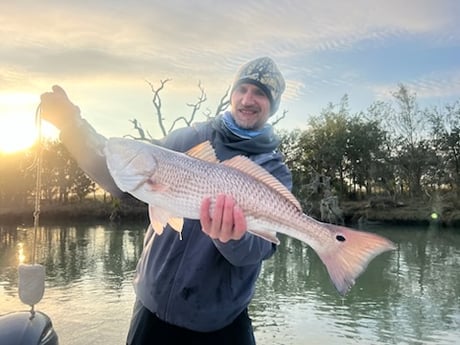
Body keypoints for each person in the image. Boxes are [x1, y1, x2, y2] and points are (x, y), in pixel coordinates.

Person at [40, 57, 292, 345]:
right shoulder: (189, 138)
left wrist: (231, 238)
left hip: (220, 323)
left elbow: (260, 247)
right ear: (232, 93)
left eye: (260, 93)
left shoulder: (274, 171)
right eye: (242, 89)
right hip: (151, 308)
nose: (248, 99)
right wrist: (72, 127)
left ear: (273, 105)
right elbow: (119, 173)